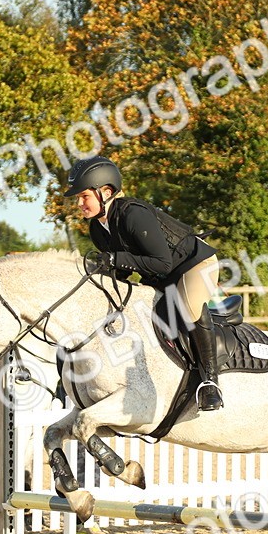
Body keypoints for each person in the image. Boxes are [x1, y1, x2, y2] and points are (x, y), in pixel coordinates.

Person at [63, 156, 225, 411]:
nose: (79, 203)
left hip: (193, 265)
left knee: (189, 307)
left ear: (106, 192)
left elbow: (162, 263)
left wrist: (115, 259)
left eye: (84, 196)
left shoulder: (133, 214)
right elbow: (122, 273)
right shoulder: (97, 228)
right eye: (78, 198)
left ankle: (210, 383)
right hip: (160, 276)